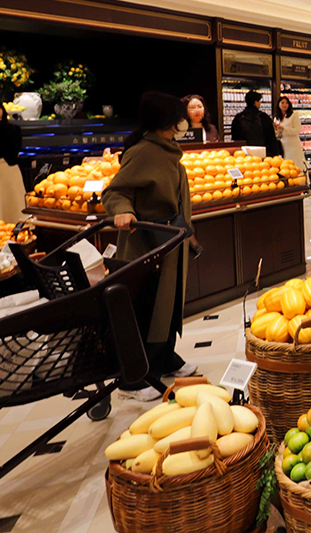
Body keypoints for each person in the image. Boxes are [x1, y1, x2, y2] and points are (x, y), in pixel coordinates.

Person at [102, 91, 198, 400]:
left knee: (168, 304)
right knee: (147, 306)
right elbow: (115, 192)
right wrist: (123, 211)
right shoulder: (143, 151)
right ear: (165, 121)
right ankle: (133, 379)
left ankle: (164, 358)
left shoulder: (167, 149)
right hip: (147, 244)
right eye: (177, 118)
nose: (182, 123)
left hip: (169, 242)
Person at [230, 90, 280, 156]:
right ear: (256, 102)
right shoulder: (263, 117)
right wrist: (275, 153)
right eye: (259, 101)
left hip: (244, 153)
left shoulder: (238, 118)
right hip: (262, 152)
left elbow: (235, 138)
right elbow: (271, 138)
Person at [274, 95, 307, 171]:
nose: (284, 105)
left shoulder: (293, 115)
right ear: (278, 104)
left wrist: (284, 129)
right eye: (282, 103)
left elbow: (297, 130)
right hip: (282, 145)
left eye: (286, 103)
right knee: (285, 166)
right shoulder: (276, 118)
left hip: (292, 145)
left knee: (295, 164)